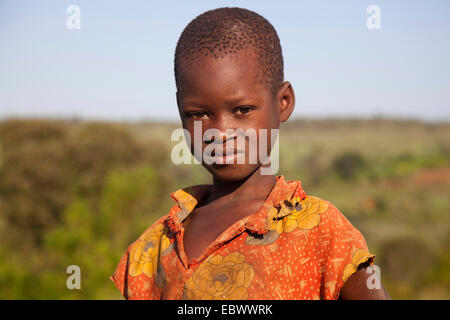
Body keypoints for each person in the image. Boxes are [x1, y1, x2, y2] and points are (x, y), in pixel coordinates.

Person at [111, 7, 390, 300]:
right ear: (180, 111)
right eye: (199, 114)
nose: (219, 133)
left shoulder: (322, 231)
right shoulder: (157, 244)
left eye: (242, 110)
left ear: (283, 102)